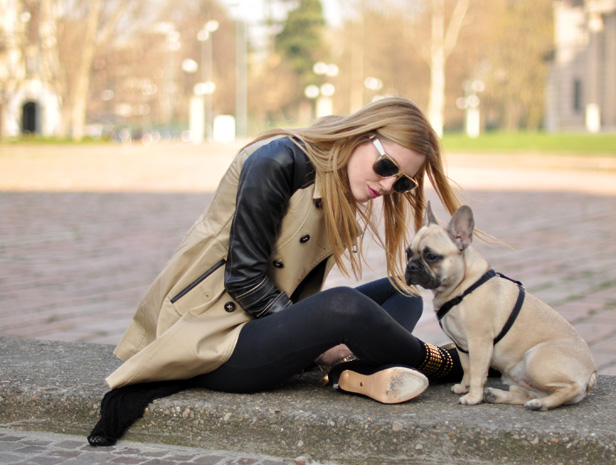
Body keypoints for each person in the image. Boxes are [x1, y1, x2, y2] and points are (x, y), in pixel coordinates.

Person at [88, 97, 465, 446]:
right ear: (361, 135)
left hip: (265, 330)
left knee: (404, 290)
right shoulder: (278, 161)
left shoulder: (336, 182)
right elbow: (244, 280)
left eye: (401, 182)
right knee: (342, 306)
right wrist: (323, 345)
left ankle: (351, 373)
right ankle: (446, 362)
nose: (386, 184)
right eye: (386, 167)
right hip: (215, 340)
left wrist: (319, 342)